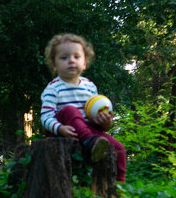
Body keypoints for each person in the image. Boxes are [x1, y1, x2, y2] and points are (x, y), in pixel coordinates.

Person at [39, 33, 126, 183]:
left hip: (86, 131)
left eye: (76, 57)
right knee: (70, 110)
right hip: (61, 132)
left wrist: (104, 123)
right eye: (64, 58)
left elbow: (92, 117)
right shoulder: (53, 88)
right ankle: (90, 141)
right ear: (54, 64)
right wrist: (59, 128)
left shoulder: (90, 87)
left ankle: (118, 184)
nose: (71, 61)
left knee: (118, 148)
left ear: (84, 62)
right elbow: (46, 116)